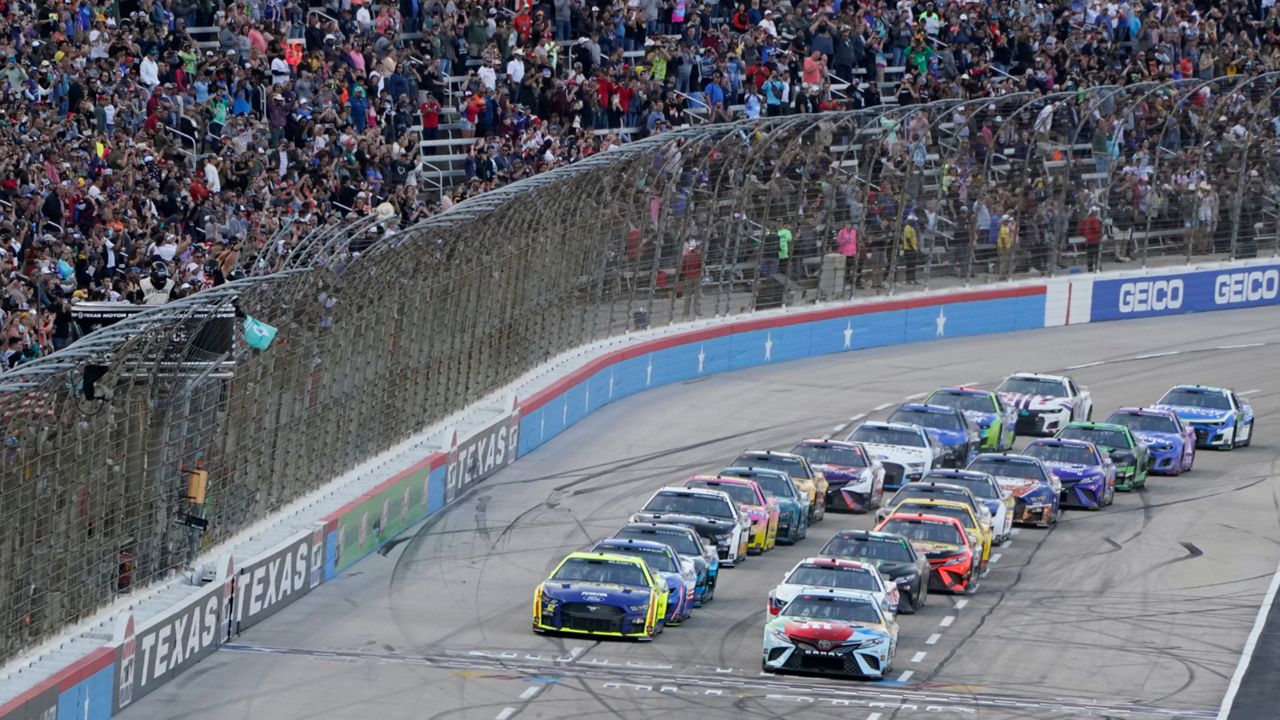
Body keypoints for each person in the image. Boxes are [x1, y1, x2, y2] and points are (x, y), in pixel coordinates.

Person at [1080, 207, 1104, 273]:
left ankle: (1090, 269)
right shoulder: (1095, 219)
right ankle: (1098, 268)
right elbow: (1097, 229)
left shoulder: (1085, 219)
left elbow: (1081, 230)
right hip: (1095, 240)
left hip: (1088, 240)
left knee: (1089, 255)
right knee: (1097, 255)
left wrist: (1086, 236)